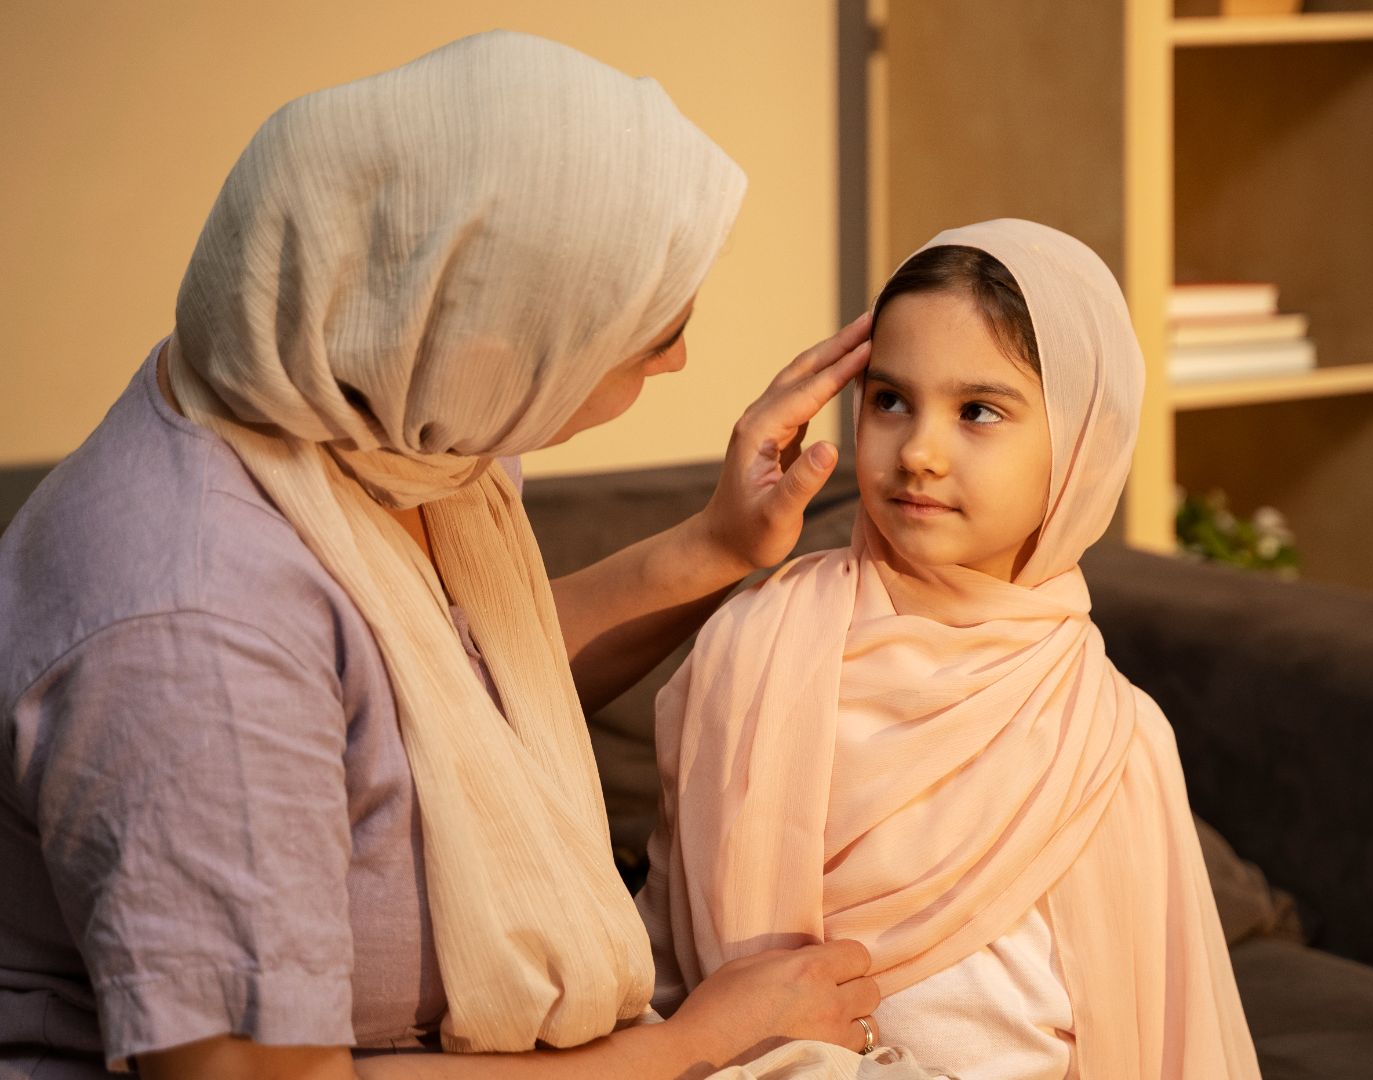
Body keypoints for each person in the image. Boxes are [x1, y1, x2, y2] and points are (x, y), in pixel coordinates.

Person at [0, 31, 925, 1080]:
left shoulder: (361, 399)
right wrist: (699, 1042)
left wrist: (719, 546)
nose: (679, 360)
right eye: (643, 339)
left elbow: (449, 690)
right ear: (492, 345)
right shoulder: (196, 635)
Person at [640, 219, 1264, 1079]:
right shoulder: (750, 645)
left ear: (1081, 442)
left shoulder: (1115, 739)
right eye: (890, 400)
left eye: (978, 412)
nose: (920, 453)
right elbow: (661, 967)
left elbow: (1155, 1038)